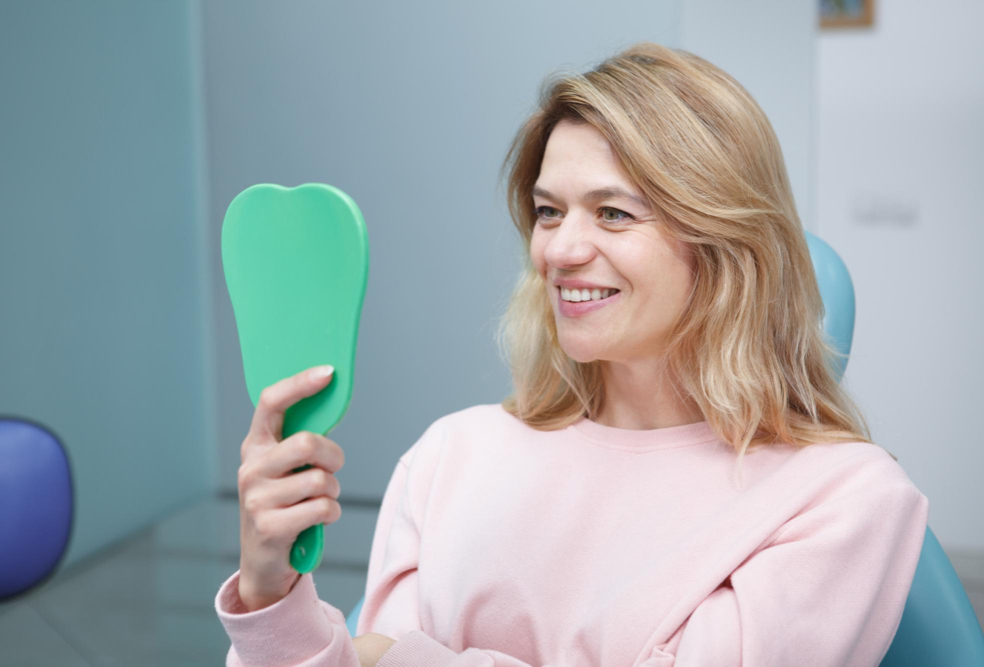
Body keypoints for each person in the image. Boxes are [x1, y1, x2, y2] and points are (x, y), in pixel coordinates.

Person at [215, 41, 928, 666]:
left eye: (614, 212)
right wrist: (269, 594)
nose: (559, 249)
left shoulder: (839, 500)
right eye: (549, 210)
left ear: (726, 246)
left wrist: (399, 656)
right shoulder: (447, 459)